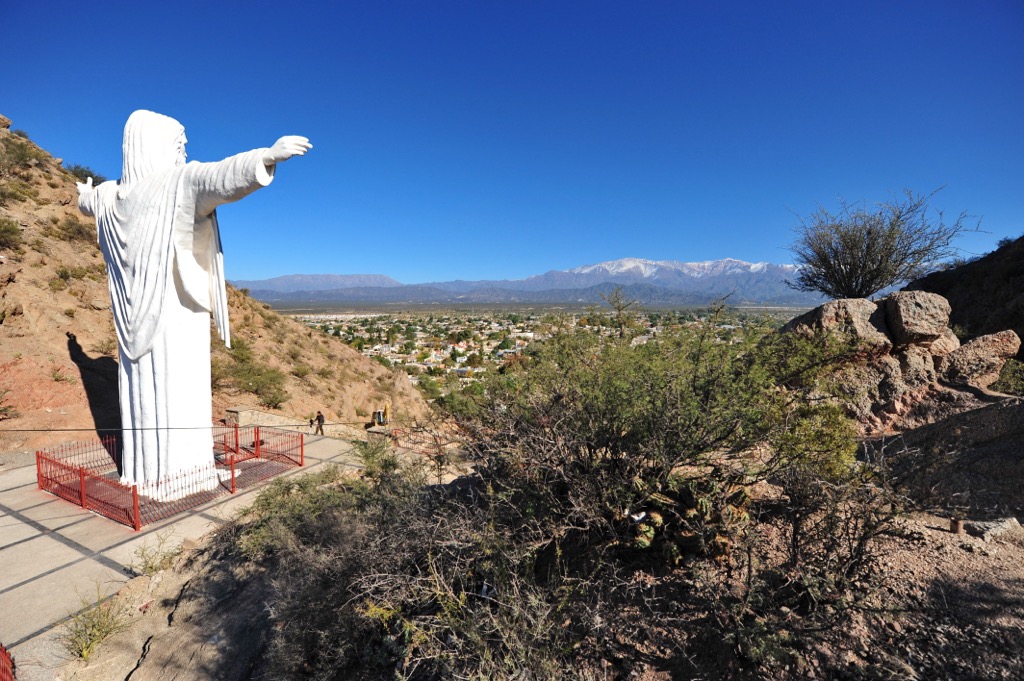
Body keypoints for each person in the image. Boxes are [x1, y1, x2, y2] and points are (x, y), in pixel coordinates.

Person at [77, 110, 311, 497]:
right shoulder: (175, 183)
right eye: (179, 142)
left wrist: (83, 193)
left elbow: (89, 202)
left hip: (134, 315)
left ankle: (148, 474)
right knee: (178, 390)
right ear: (155, 144)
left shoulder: (107, 196)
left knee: (146, 397)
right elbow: (219, 177)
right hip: (173, 314)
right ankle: (178, 479)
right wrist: (265, 156)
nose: (185, 149)